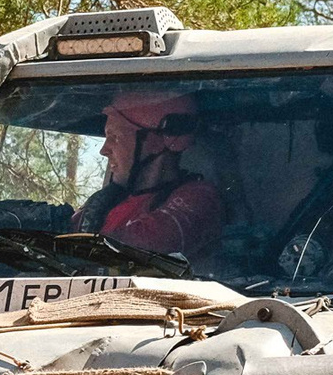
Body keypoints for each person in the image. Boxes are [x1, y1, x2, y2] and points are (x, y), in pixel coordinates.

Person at [76, 90, 223, 262]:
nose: (104, 150)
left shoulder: (200, 199)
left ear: (157, 141)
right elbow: (64, 235)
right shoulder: (106, 203)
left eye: (114, 137)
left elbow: (137, 250)